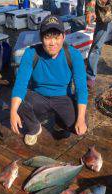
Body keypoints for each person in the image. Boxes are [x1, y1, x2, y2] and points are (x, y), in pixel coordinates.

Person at [10, 15, 88, 146]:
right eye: (47, 37)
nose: (52, 43)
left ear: (63, 37)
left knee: (79, 124)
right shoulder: (31, 53)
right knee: (17, 101)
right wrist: (12, 111)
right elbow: (20, 84)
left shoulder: (73, 55)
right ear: (41, 38)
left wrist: (80, 119)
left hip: (63, 97)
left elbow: (81, 88)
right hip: (38, 96)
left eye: (57, 37)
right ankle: (35, 127)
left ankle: (59, 121)